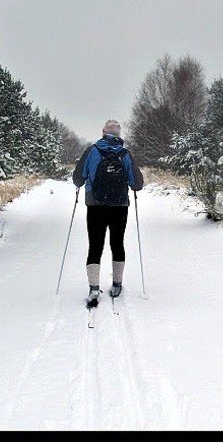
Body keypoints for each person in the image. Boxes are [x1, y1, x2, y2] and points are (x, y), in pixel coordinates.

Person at [72, 119, 144, 307]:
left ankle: (94, 288)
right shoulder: (125, 154)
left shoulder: (91, 151)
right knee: (117, 243)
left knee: (95, 245)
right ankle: (117, 284)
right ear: (118, 134)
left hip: (95, 205)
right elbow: (137, 184)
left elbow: (78, 179)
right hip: (120, 206)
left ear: (103, 132)